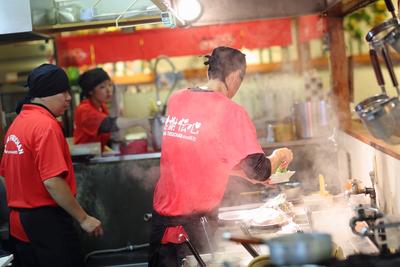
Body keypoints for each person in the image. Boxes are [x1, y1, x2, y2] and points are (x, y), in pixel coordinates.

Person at [149, 46, 293, 267]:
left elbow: (203, 154)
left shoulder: (178, 100)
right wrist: (279, 155)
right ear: (235, 76)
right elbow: (261, 169)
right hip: (192, 231)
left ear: (210, 72)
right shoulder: (230, 111)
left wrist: (247, 175)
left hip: (161, 226)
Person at [0, 64, 103, 267]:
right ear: (46, 93)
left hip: (20, 225)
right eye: (63, 91)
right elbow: (52, 182)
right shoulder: (45, 125)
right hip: (46, 224)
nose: (67, 98)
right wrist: (83, 218)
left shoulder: (18, 123)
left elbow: (5, 174)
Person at [73, 68, 149, 151]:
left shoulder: (102, 107)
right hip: (84, 159)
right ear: (91, 91)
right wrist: (139, 121)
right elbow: (108, 124)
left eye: (110, 85)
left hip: (95, 154)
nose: (109, 90)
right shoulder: (84, 109)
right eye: (102, 87)